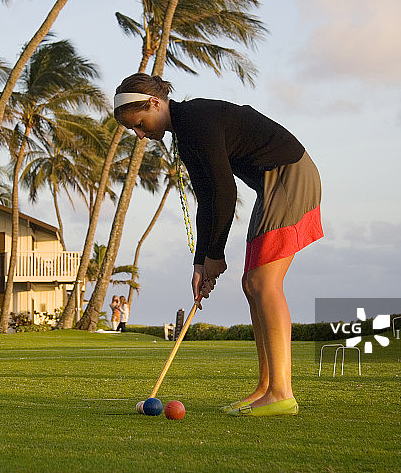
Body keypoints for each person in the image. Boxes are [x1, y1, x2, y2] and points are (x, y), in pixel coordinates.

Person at [113, 73, 323, 416]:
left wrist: (217, 254)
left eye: (139, 124)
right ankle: (266, 388)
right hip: (273, 183)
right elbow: (207, 198)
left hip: (289, 176)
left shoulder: (196, 120)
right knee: (250, 283)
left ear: (154, 103)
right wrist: (201, 262)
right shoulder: (185, 135)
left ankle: (282, 392)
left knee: (263, 282)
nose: (139, 134)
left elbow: (226, 192)